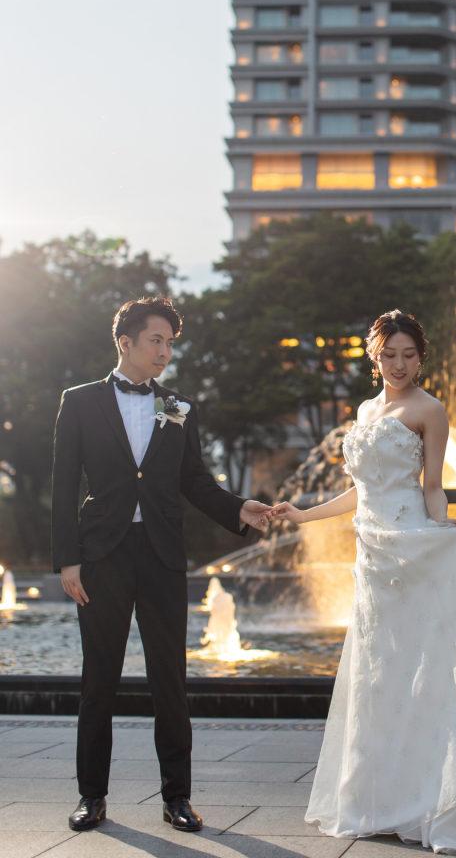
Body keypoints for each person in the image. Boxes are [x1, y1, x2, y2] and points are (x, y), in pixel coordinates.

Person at [267, 309, 456, 853]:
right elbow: (363, 491)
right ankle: (380, 801)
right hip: (372, 557)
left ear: (422, 358)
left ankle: (433, 803)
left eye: (408, 354)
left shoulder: (430, 409)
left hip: (412, 550)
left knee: (428, 673)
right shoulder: (367, 409)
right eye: (388, 354)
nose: (398, 364)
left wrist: (443, 524)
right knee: (380, 677)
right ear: (374, 358)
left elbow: (431, 486)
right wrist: (305, 514)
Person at [51, 296, 271, 835]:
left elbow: (192, 479)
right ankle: (91, 797)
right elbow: (62, 488)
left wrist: (238, 508)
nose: (166, 352)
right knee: (98, 679)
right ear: (125, 343)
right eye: (157, 341)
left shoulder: (174, 405)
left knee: (169, 679)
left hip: (162, 554)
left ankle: (178, 798)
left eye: (171, 343)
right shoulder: (79, 402)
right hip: (101, 556)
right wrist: (67, 561)